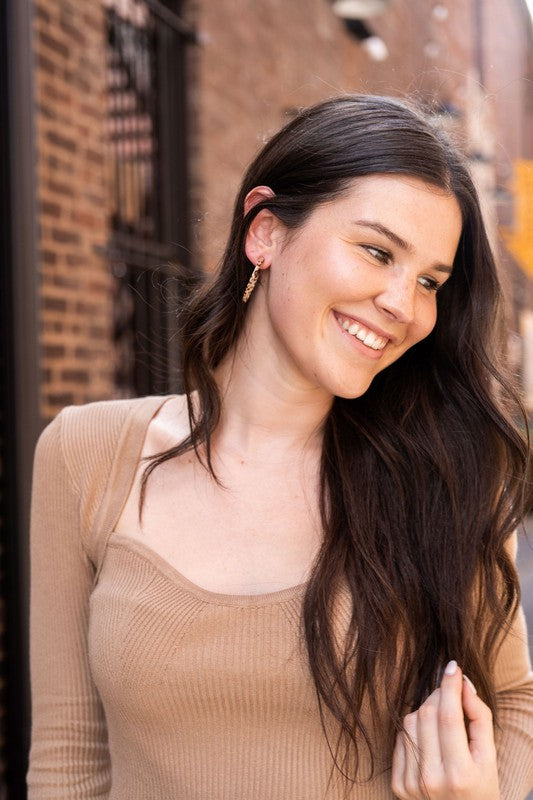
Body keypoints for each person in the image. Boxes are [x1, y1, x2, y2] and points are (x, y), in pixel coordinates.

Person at [27, 95, 533, 800]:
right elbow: (68, 760)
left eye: (428, 282)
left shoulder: (446, 479)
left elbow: (511, 699)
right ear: (265, 233)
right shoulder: (85, 456)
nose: (402, 303)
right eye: (376, 251)